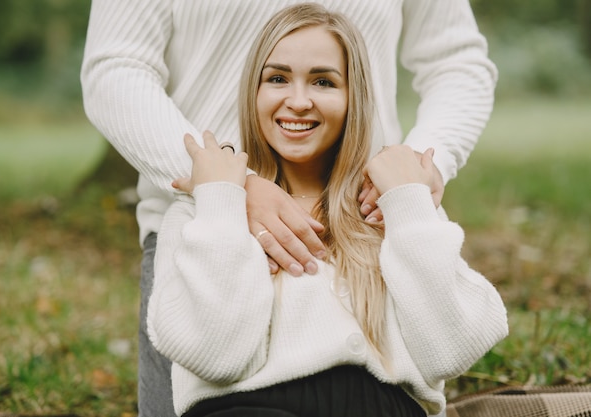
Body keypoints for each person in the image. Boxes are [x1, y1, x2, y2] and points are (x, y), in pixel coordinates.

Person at [80, 0, 498, 415]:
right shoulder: (198, 223)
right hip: (206, 214)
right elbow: (116, 66)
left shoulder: (397, 216)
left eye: (324, 82)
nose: (298, 101)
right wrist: (225, 186)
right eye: (277, 78)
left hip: (368, 218)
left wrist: (417, 176)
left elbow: (455, 61)